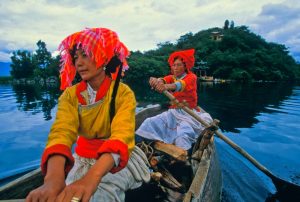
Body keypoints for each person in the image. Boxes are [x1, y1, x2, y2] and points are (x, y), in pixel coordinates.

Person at [26, 27, 150, 202]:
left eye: (85, 55)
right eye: (76, 57)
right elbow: (61, 133)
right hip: (82, 158)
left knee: (100, 196)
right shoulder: (70, 95)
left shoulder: (123, 93)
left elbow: (122, 136)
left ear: (104, 57)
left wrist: (92, 179)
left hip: (113, 160)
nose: (78, 63)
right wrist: (52, 179)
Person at [135, 49, 212, 150]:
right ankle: (143, 148)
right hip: (174, 111)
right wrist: (156, 81)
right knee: (148, 122)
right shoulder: (172, 77)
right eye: (174, 65)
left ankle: (183, 157)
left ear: (185, 66)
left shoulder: (191, 77)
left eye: (179, 65)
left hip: (188, 113)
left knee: (182, 135)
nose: (175, 68)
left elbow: (179, 85)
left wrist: (165, 87)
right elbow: (163, 79)